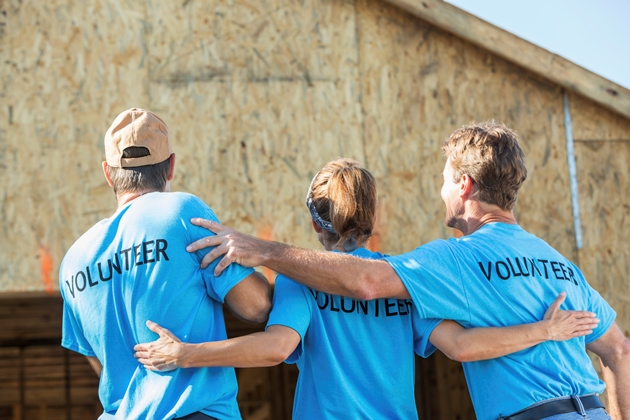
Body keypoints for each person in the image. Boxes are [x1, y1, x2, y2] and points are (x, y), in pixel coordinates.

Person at [181, 122, 629, 420]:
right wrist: (544, 331)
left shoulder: (443, 264)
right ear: (371, 215)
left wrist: (187, 354)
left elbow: (300, 329)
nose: (440, 188)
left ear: (464, 185)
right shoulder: (561, 264)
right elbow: (619, 352)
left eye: (444, 177)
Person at [59, 108, 271, 420]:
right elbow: (257, 307)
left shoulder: (74, 260)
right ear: (170, 166)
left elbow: (101, 361)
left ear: (108, 173)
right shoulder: (183, 213)